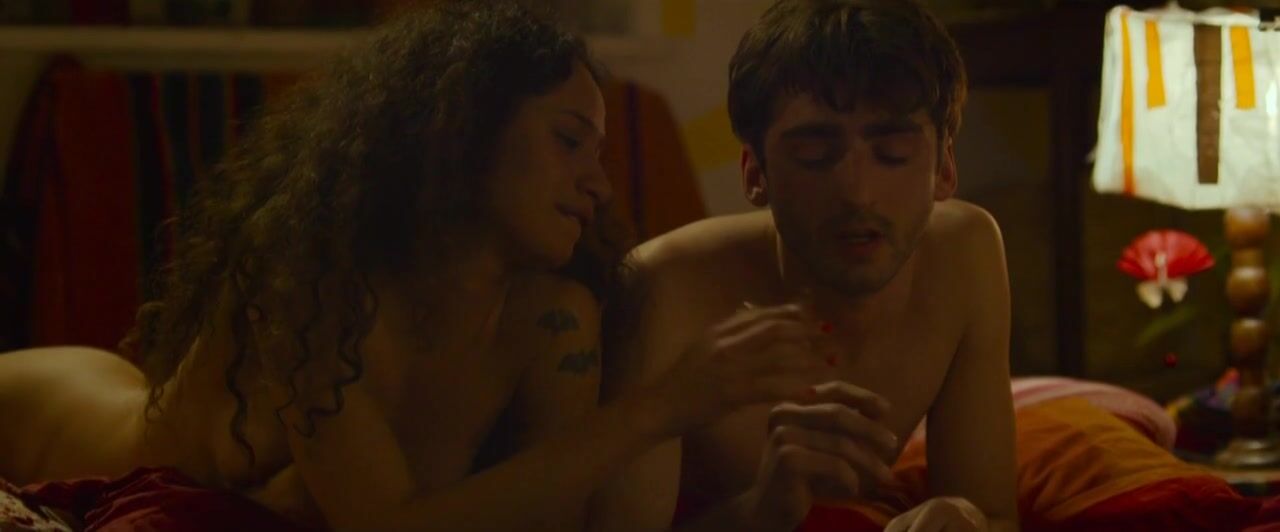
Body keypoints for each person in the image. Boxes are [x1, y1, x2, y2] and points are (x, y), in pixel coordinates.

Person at [0, 2, 837, 530]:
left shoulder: (553, 319)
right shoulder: (313, 288)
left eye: (600, 151)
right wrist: (660, 406)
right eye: (569, 141)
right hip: (53, 418)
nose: (600, 184)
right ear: (462, 135)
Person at [592, 0, 1019, 530]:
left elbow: (995, 514)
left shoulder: (966, 252)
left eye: (892, 152)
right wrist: (765, 509)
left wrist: (961, 517)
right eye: (815, 154)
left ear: (945, 167)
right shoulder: (662, 289)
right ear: (755, 173)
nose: (858, 194)